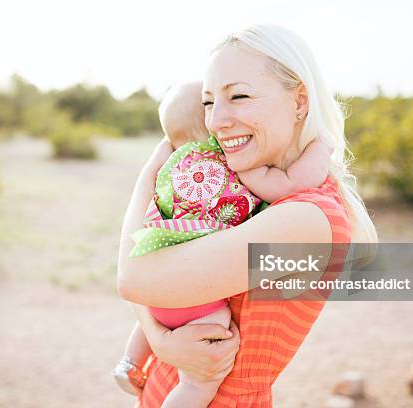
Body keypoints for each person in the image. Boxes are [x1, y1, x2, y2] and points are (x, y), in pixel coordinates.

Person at [118, 24, 377, 407]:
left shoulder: (306, 219)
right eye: (208, 102)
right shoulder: (249, 185)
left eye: (238, 96)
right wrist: (163, 342)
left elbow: (135, 278)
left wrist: (149, 173)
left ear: (300, 101)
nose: (215, 121)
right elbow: (152, 274)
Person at [113, 81, 332, 406]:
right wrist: (322, 147)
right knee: (199, 383)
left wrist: (160, 339)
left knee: (159, 312)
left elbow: (140, 260)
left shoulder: (170, 171)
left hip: (160, 282)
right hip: (197, 302)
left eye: (239, 96)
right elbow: (288, 185)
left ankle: (130, 362)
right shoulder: (235, 165)